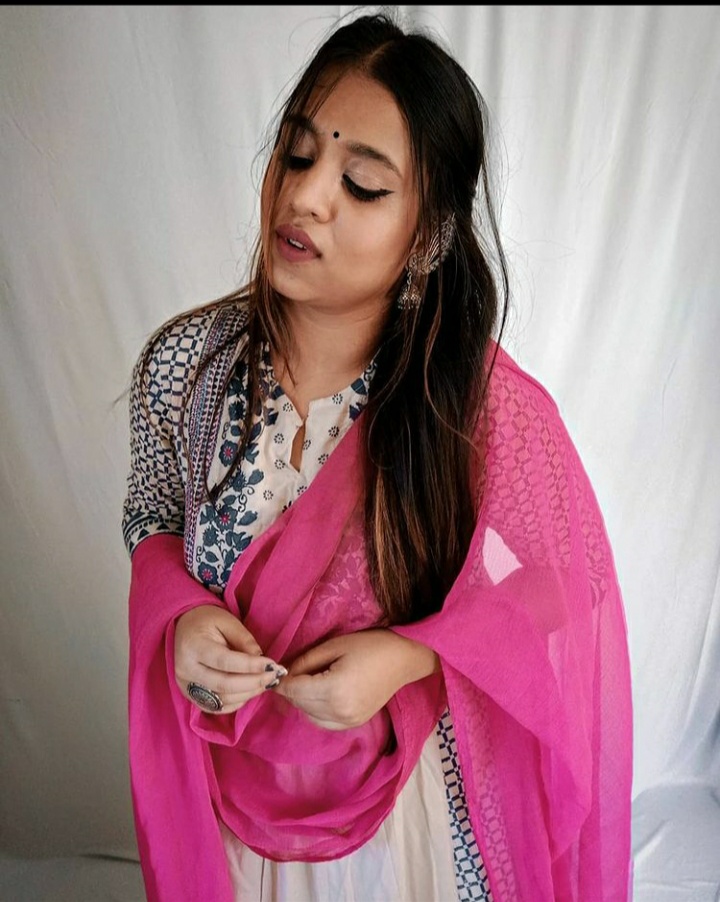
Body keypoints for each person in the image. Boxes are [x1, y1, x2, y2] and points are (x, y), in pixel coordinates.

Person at [122, 10, 633, 902]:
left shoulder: (470, 404)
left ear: (428, 236)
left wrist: (412, 656)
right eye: (296, 154)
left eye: (361, 185)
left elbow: (562, 582)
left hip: (404, 815)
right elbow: (153, 517)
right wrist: (180, 617)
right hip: (224, 802)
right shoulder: (186, 366)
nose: (306, 197)